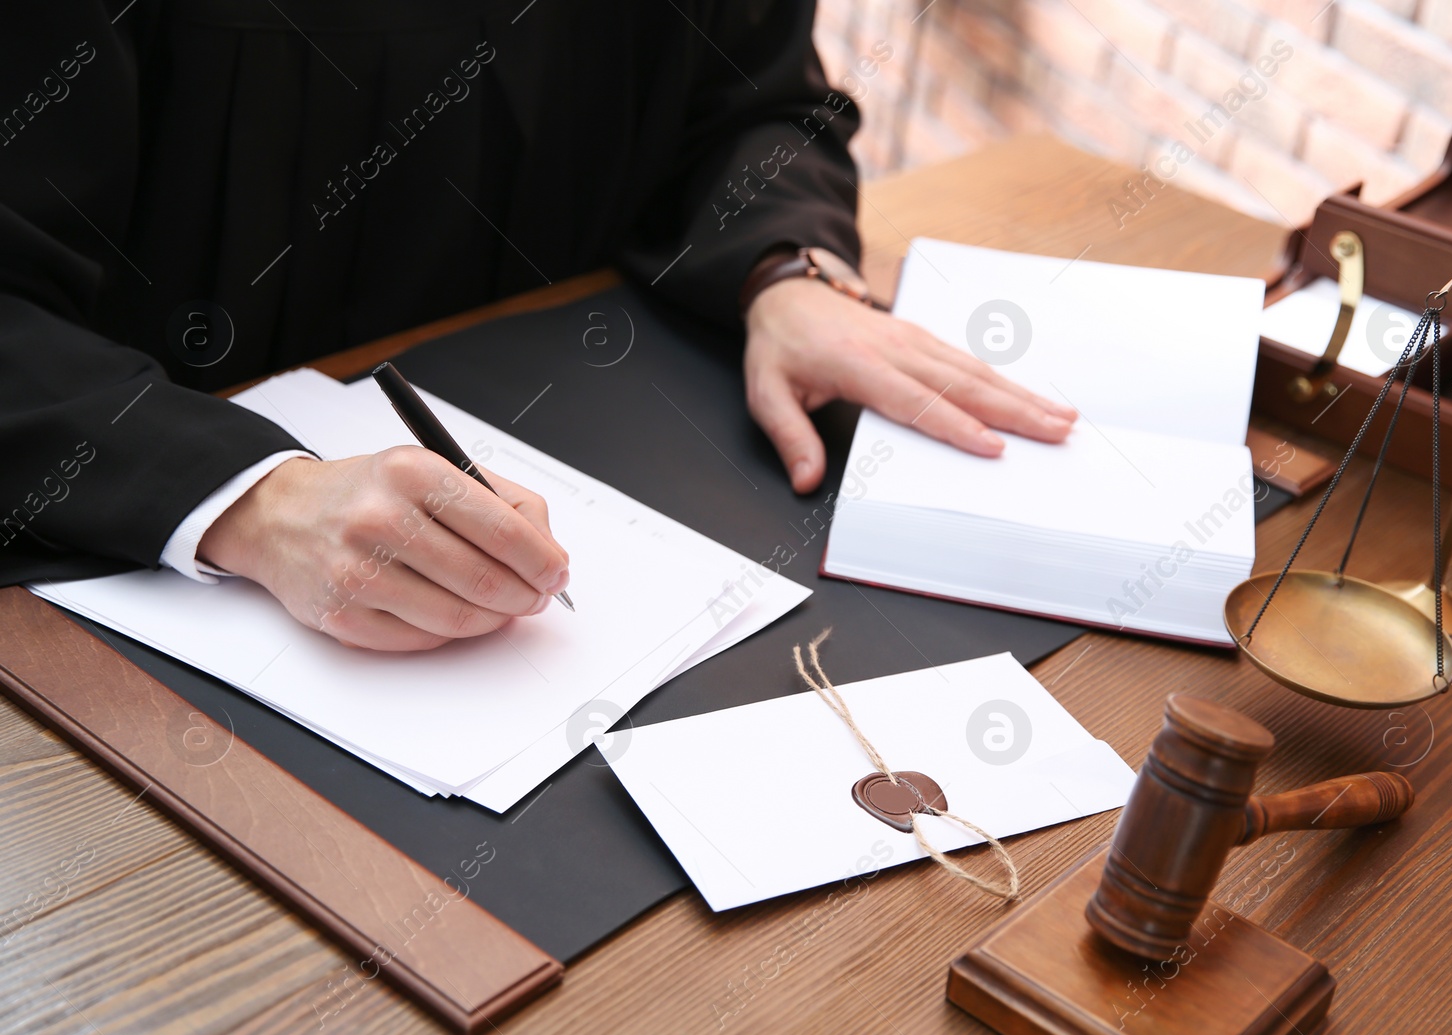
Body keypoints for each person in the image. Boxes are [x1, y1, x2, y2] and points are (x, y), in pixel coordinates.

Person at [0, 0, 1073, 650]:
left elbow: (756, 105)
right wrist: (248, 499)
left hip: (609, 473)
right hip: (154, 559)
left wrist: (784, 269)